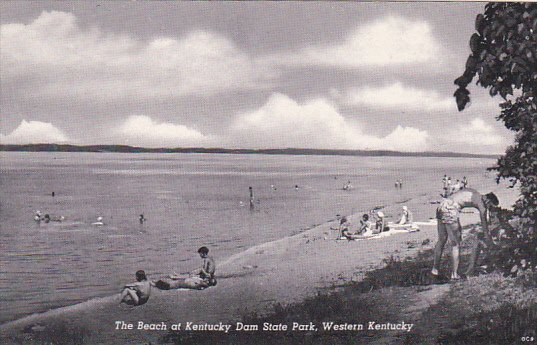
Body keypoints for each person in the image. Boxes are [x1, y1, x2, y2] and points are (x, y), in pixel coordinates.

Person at [432, 188, 499, 280]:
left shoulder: (474, 192)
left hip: (442, 205)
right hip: (451, 209)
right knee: (455, 244)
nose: (488, 209)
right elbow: (484, 224)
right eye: (490, 206)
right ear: (488, 200)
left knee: (442, 239)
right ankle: (455, 275)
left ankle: (435, 270)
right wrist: (488, 238)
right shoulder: (482, 204)